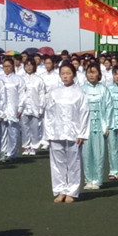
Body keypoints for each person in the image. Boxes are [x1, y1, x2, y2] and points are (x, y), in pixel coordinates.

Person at [43, 62, 90, 203]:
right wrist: (48, 133)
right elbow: (49, 114)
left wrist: (82, 133)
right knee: (57, 163)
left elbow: (84, 113)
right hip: (56, 132)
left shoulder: (80, 93)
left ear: (74, 75)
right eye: (63, 73)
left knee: (73, 162)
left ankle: (72, 191)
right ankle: (61, 190)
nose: (65, 76)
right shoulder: (54, 93)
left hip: (73, 133)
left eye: (68, 73)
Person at [81, 63, 112, 190]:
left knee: (99, 154)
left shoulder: (104, 89)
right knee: (86, 154)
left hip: (99, 125)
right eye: (89, 72)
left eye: (94, 72)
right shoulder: (82, 89)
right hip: (86, 126)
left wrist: (106, 125)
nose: (91, 75)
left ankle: (98, 180)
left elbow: (109, 107)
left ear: (99, 74)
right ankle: (88, 179)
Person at [20, 58, 45, 155]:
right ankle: (26, 146)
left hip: (35, 106)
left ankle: (34, 146)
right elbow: (20, 94)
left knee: (35, 128)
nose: (29, 67)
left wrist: (41, 108)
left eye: (31, 65)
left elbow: (41, 94)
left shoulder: (39, 79)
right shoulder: (21, 79)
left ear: (34, 66)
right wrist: (19, 107)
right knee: (25, 127)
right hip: (24, 107)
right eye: (27, 65)